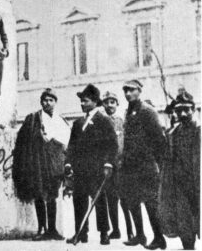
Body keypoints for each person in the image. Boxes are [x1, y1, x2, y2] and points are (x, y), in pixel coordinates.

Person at [12, 88, 70, 241]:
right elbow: (23, 140)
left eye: (51, 100)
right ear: (41, 102)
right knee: (39, 193)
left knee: (52, 195)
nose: (48, 103)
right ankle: (41, 228)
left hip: (56, 162)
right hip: (39, 161)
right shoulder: (34, 119)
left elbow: (66, 141)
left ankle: (52, 229)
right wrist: (38, 136)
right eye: (45, 100)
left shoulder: (60, 119)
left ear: (55, 102)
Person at [64, 84, 118, 245]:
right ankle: (81, 232)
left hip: (97, 169)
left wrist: (108, 163)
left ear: (95, 102)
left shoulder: (104, 121)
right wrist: (68, 163)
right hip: (80, 169)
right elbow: (71, 145)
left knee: (99, 201)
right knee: (79, 201)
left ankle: (104, 233)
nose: (82, 104)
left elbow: (112, 144)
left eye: (85, 101)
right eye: (81, 101)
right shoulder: (78, 123)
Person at [119, 79, 167, 249]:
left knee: (150, 203)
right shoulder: (129, 112)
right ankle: (140, 236)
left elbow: (159, 140)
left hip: (146, 166)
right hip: (130, 167)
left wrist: (160, 166)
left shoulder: (147, 111)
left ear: (139, 91)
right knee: (132, 201)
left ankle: (159, 238)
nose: (127, 94)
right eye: (125, 91)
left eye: (131, 90)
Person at [159, 91, 199, 250]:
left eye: (187, 109)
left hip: (197, 183)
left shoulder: (199, 131)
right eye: (179, 110)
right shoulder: (173, 134)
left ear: (194, 110)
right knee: (184, 223)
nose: (183, 113)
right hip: (180, 185)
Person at [101, 91, 134, 241]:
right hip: (107, 168)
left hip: (121, 167)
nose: (109, 105)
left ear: (117, 104)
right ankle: (115, 230)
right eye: (106, 102)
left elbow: (125, 144)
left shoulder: (122, 122)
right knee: (111, 199)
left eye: (112, 102)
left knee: (124, 200)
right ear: (103, 104)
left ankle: (130, 231)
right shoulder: (100, 123)